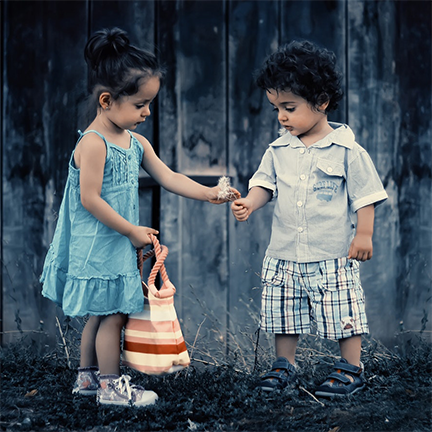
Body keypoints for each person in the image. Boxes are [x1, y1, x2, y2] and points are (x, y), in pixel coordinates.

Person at [40, 27, 239, 407]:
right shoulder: (94, 143)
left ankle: (86, 380)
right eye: (140, 104)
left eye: (150, 103)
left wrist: (210, 193)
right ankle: (111, 387)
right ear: (106, 100)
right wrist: (131, 230)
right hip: (99, 243)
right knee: (112, 314)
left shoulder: (135, 143)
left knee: (99, 316)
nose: (147, 113)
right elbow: (90, 200)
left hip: (114, 242)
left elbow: (169, 177)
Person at [231, 40, 388, 397]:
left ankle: (351, 367)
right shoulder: (278, 149)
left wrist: (363, 235)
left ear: (321, 102)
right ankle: (284, 365)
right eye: (276, 109)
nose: (281, 117)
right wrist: (251, 204)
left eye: (289, 107)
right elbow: (264, 185)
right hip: (285, 252)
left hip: (332, 253)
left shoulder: (348, 150)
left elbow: (366, 196)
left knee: (343, 310)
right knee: (283, 312)